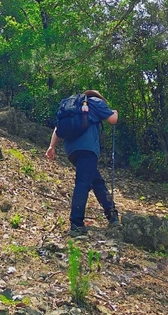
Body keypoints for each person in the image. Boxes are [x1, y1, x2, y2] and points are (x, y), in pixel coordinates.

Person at [45, 89, 119, 235]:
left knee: (95, 180)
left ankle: (112, 214)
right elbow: (113, 120)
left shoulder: (73, 107)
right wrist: (115, 112)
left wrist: (52, 147)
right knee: (83, 182)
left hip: (71, 151)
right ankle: (76, 224)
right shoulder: (96, 102)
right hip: (87, 148)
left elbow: (58, 128)